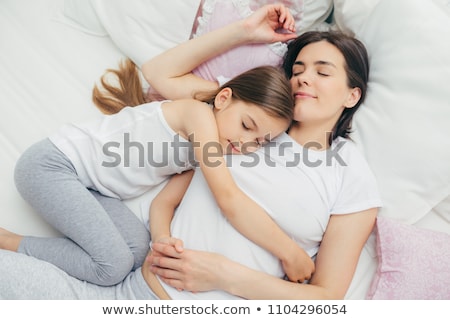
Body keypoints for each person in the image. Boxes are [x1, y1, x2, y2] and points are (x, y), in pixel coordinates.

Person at [0, 4, 381, 300]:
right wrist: (245, 30)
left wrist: (226, 276)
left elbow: (328, 299)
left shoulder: (348, 172)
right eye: (297, 68)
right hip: (129, 292)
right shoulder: (238, 120)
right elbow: (161, 75)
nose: (303, 77)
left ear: (352, 95)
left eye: (323, 71)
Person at [0, 41, 302, 286]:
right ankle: (7, 242)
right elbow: (228, 197)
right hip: (53, 166)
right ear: (223, 99)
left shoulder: (205, 154)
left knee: (138, 252)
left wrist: (163, 239)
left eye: (260, 142)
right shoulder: (197, 115)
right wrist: (288, 252)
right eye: (247, 126)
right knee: (112, 268)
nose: (246, 143)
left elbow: (163, 203)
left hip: (95, 189)